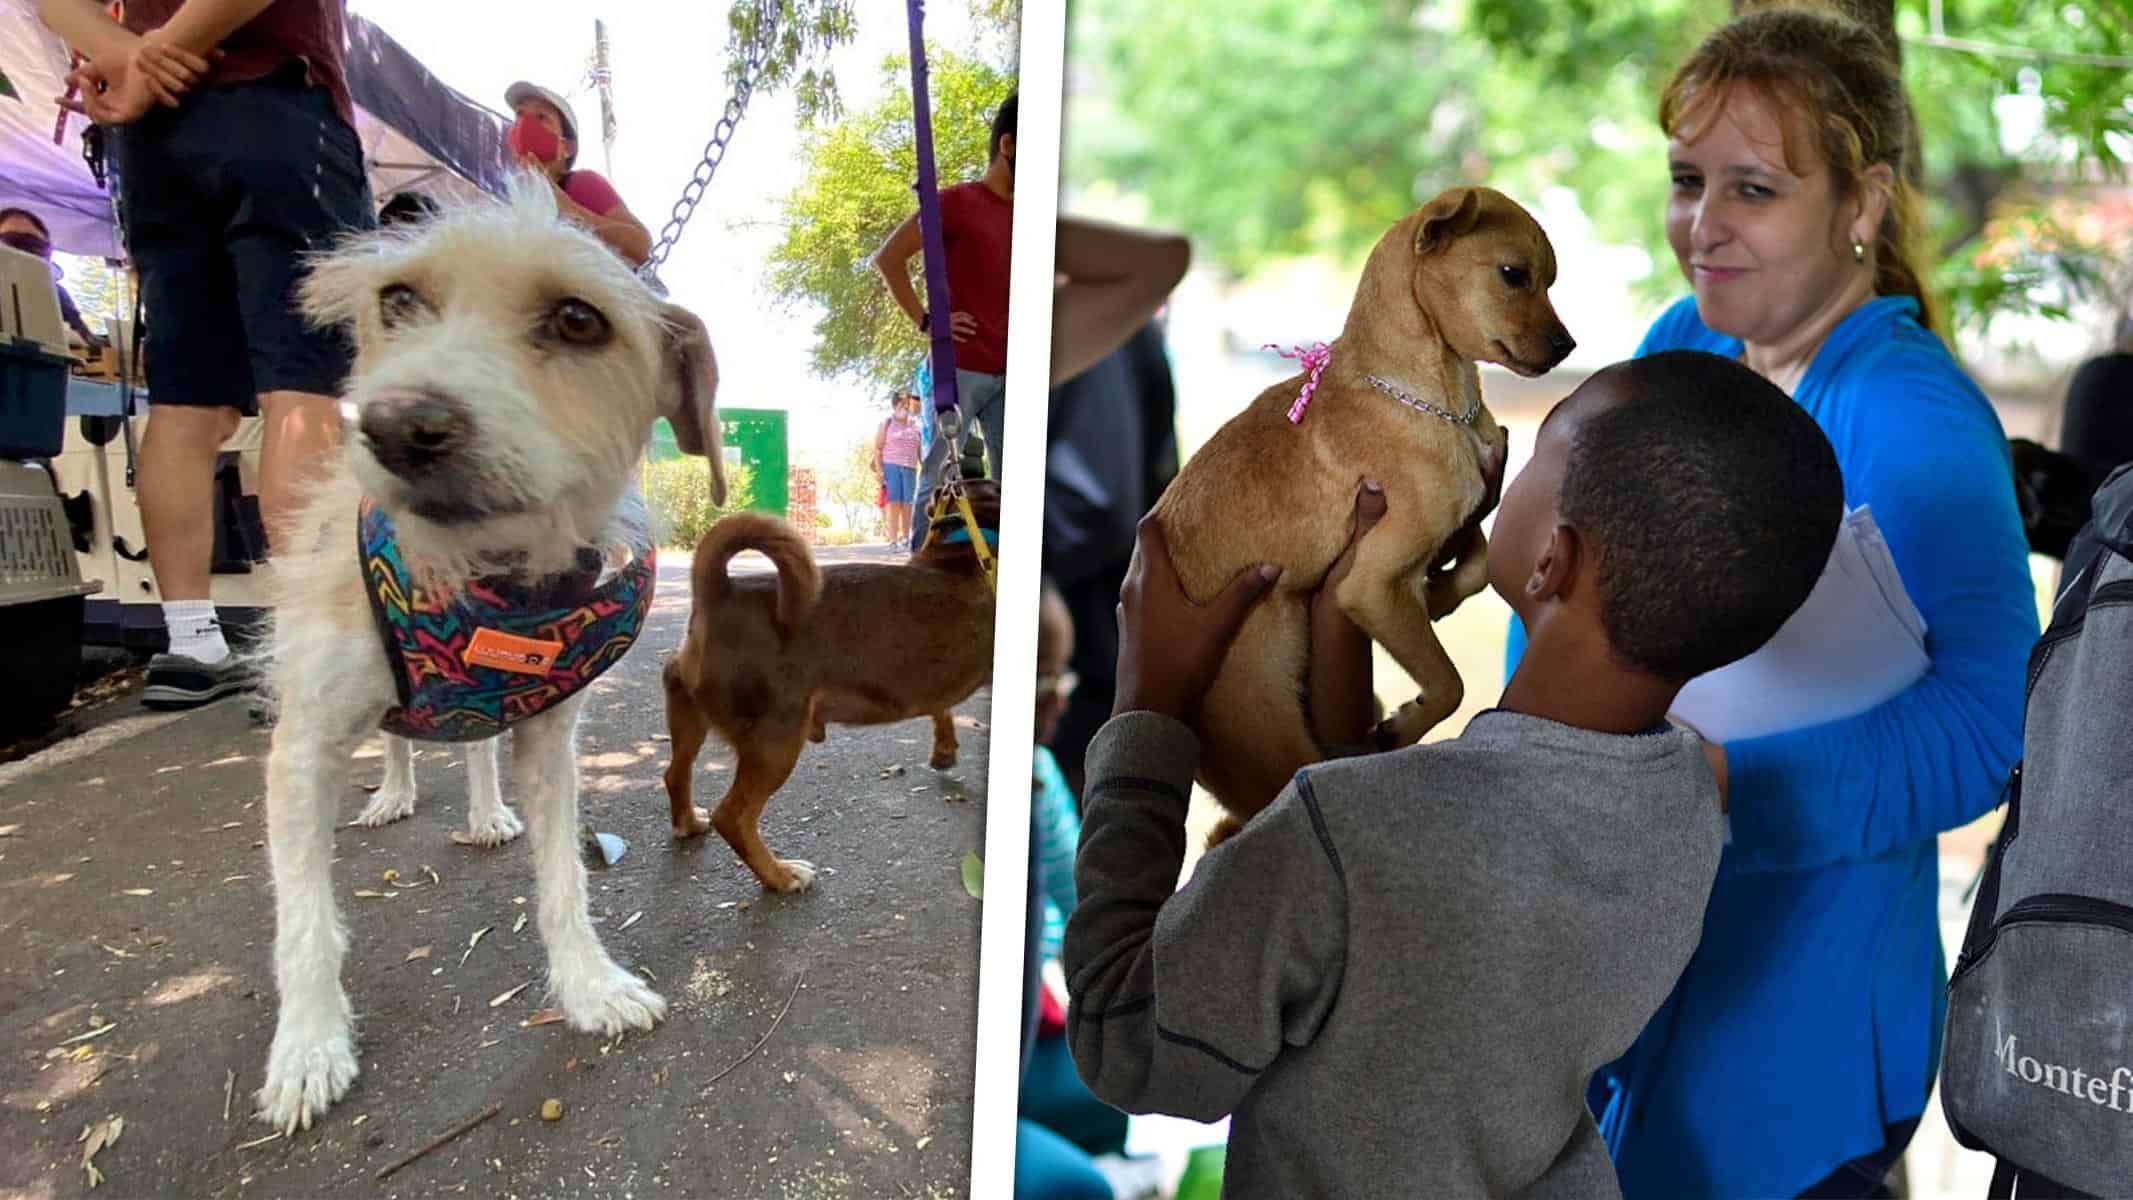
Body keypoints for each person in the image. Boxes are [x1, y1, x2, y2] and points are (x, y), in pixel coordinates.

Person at [1065, 351, 1845, 1198]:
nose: (1488, 469)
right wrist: (1342, 615)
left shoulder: (1348, 836)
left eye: (1533, 457)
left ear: (1552, 559)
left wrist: (1146, 709)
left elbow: (1130, 1049)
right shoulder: (1686, 803)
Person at [1501, 9, 2040, 1196]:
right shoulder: (1679, 339)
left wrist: (1721, 788)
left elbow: (1991, 727)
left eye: (1753, 189)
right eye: (1689, 180)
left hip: (1791, 1030)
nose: (1703, 226)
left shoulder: (1913, 419)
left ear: (1863, 203)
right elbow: (1574, 577)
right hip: (1627, 973)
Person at [38, 0, 377, 709]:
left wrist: (128, 57)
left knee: (184, 404)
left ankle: (189, 641)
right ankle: (300, 652)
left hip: (153, 135)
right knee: (303, 391)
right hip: (275, 102)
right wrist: (167, 46)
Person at [874, 91, 1016, 551]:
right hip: (961, 369)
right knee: (937, 473)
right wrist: (928, 322)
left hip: (1015, 372)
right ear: (1009, 146)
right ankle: (918, 569)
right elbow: (888, 259)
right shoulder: (956, 203)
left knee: (1018, 482)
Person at [502, 80, 653, 267]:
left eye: (541, 117)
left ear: (567, 147)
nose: (525, 124)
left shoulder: (581, 184)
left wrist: (558, 200)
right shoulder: (509, 202)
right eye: (519, 115)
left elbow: (640, 247)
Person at [0, 207, 106, 349]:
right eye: (11, 241)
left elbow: (86, 338)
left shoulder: (56, 293)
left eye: (35, 246)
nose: (23, 252)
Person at [873, 393, 924, 546]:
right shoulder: (886, 423)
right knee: (894, 502)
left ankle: (906, 537)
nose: (906, 407)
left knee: (908, 503)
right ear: (895, 406)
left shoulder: (915, 424)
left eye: (908, 404)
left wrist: (925, 466)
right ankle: (893, 539)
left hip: (910, 467)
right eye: (903, 404)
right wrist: (880, 470)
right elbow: (877, 449)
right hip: (891, 465)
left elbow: (920, 449)